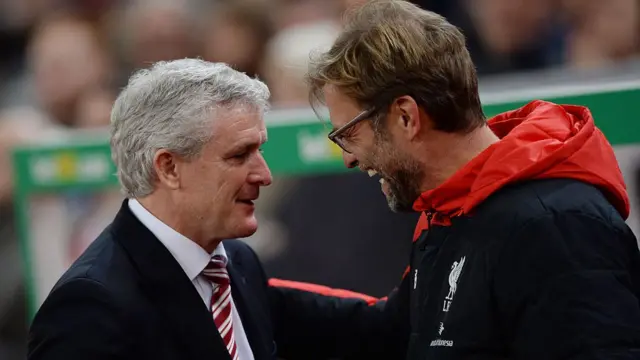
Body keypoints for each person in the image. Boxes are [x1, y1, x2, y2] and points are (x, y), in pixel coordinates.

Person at [301, 0, 640, 358]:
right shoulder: (448, 213)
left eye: (349, 134)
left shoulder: (557, 226)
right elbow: (396, 331)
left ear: (405, 117)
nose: (350, 158)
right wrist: (249, 285)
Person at [26, 59, 406, 360]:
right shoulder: (90, 306)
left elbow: (373, 327)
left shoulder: (234, 263)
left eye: (260, 150)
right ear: (169, 167)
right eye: (240, 155)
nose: (265, 174)